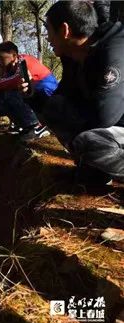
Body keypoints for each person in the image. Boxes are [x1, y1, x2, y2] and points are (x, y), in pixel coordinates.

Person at [36, 1, 124, 185]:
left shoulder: (114, 50)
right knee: (55, 109)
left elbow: (104, 116)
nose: (48, 38)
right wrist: (32, 96)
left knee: (88, 141)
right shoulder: (75, 56)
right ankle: (95, 170)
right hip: (113, 128)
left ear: (65, 30)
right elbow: (59, 100)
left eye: (49, 30)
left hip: (113, 122)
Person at [0, 41, 58, 140]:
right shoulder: (10, 68)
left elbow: (14, 80)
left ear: (14, 55)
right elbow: (4, 82)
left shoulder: (24, 61)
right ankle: (22, 125)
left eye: (1, 58)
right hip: (35, 94)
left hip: (46, 93)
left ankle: (37, 125)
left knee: (11, 94)